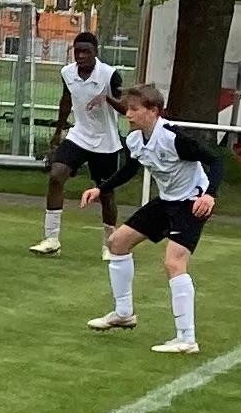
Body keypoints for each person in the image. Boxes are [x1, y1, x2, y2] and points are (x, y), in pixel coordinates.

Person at [80, 81, 223, 354]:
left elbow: (216, 161)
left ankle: (187, 338)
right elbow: (129, 170)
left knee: (174, 262)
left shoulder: (174, 138)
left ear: (154, 110)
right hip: (167, 201)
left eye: (134, 109)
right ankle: (124, 313)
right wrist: (100, 189)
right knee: (117, 243)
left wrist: (209, 195)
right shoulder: (135, 139)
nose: (128, 114)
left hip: (191, 202)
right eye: (127, 109)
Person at [29, 31, 127, 260]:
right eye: (78, 51)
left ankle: (109, 245)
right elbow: (66, 100)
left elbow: (125, 108)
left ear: (95, 52)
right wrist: (58, 132)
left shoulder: (109, 75)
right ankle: (51, 239)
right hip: (79, 135)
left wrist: (107, 98)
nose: (81, 56)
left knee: (106, 192)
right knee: (56, 175)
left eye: (86, 52)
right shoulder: (67, 73)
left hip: (105, 141)